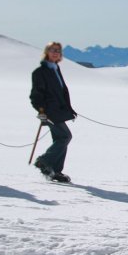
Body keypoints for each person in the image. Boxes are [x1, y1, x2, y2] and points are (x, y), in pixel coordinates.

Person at [30, 42, 78, 183]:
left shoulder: (55, 69)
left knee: (60, 138)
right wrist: (41, 111)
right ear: (46, 52)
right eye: (52, 50)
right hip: (49, 112)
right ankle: (44, 161)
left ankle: (55, 171)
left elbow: (60, 93)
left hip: (57, 111)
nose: (55, 52)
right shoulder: (40, 72)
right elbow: (36, 95)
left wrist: (69, 110)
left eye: (58, 50)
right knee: (65, 136)